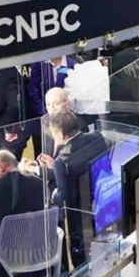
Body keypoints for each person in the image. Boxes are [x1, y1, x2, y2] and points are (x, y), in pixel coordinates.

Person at [41, 111, 108, 266]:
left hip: (80, 215)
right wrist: (55, 168)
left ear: (61, 134)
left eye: (54, 134)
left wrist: (53, 195)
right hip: (101, 199)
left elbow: (65, 199)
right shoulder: (97, 137)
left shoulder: (62, 161)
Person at [28, 55, 77, 154]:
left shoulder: (72, 65)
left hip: (65, 120)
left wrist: (62, 114)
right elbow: (33, 92)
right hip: (43, 120)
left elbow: (74, 92)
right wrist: (47, 114)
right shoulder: (39, 65)